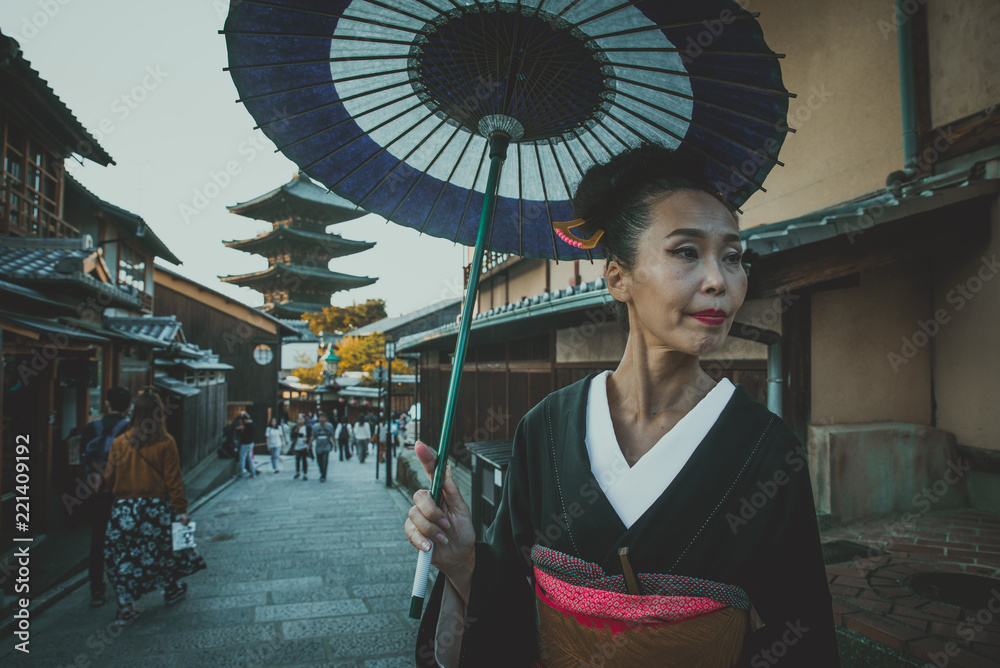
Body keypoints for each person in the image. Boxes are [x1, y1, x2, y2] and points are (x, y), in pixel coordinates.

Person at [405, 144, 839, 667]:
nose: (719, 280)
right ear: (617, 278)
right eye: (685, 252)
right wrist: (461, 558)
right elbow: (508, 600)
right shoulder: (545, 426)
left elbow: (801, 634)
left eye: (732, 257)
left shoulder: (767, 450)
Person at [104, 389, 206, 623]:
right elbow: (173, 480)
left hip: (124, 509)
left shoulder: (120, 442)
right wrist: (181, 509)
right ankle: (170, 588)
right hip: (155, 508)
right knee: (161, 550)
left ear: (134, 412)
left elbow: (108, 477)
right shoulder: (165, 442)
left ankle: (125, 605)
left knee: (123, 556)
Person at [80, 385, 132, 608]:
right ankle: (125, 585)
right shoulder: (129, 429)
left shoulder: (92, 427)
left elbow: (82, 460)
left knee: (98, 540)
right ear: (128, 406)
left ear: (107, 403)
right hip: (121, 493)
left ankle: (96, 590)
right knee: (124, 540)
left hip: (97, 492)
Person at [312, 412, 335, 482]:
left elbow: (332, 436)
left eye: (323, 417)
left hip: (326, 445)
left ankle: (323, 475)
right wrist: (309, 445)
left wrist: (335, 444)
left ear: (326, 419)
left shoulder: (329, 426)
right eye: (320, 418)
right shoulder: (315, 426)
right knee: (319, 461)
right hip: (318, 445)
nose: (321, 419)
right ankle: (322, 472)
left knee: (325, 460)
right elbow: (313, 436)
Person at [235, 412, 258, 479]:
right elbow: (250, 418)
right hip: (251, 444)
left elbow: (237, 428)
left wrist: (238, 417)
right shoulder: (253, 424)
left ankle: (241, 474)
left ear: (244, 420)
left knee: (242, 459)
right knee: (249, 458)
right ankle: (253, 473)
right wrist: (245, 414)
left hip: (245, 444)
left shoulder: (246, 425)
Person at [291, 415, 312, 480]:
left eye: (301, 419)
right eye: (299, 419)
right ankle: (298, 471)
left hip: (304, 445)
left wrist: (307, 440)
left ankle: (305, 473)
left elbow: (311, 436)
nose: (300, 420)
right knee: (297, 459)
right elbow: (292, 436)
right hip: (297, 445)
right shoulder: (295, 428)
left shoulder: (307, 428)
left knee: (304, 460)